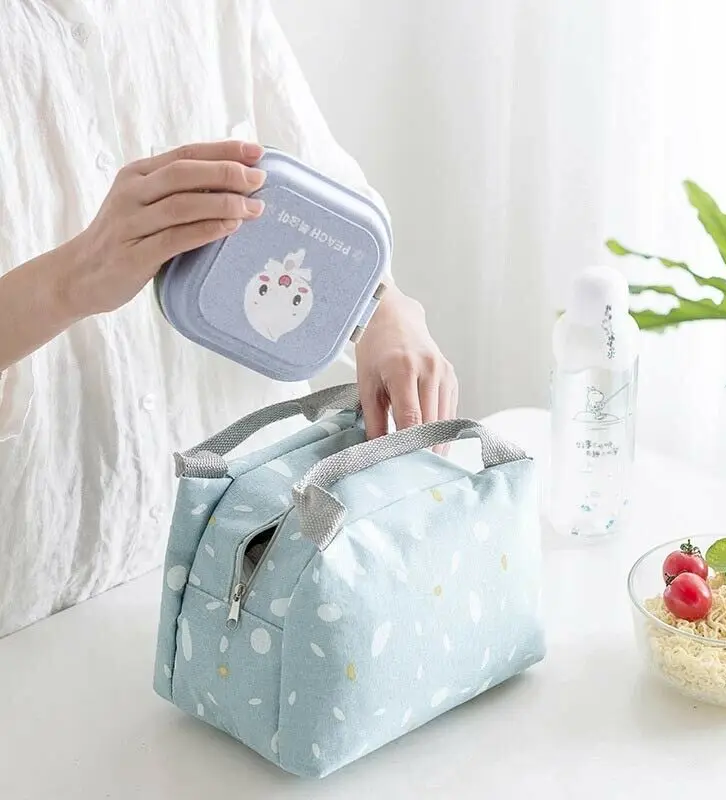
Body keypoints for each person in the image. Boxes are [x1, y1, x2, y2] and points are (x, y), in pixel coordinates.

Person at [0, 1, 457, 638]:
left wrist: (386, 309)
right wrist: (66, 282)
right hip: (34, 608)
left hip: (252, 564)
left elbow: (326, 203)